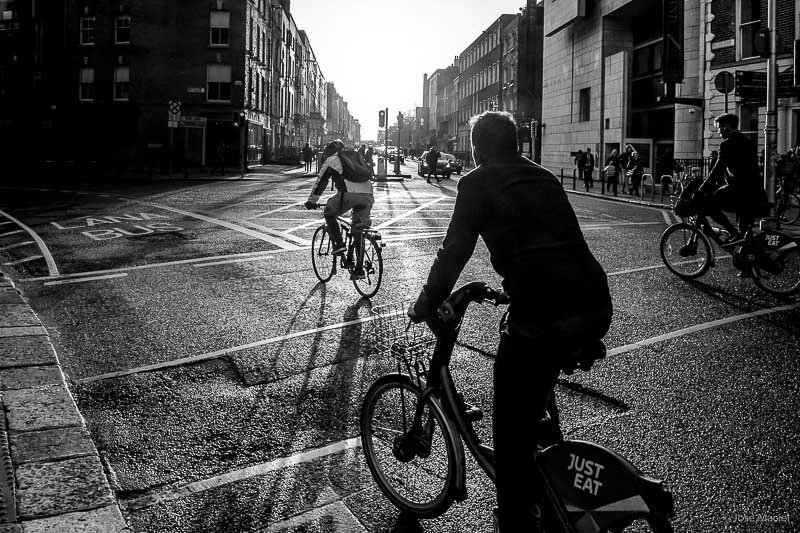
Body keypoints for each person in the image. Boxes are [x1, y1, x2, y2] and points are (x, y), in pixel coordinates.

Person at [408, 111, 612, 532]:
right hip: (592, 302)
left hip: (543, 315)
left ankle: (519, 520)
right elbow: (551, 244)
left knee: (511, 438)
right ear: (517, 144)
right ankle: (552, 489)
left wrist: (426, 302)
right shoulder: (543, 177)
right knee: (535, 395)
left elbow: (453, 251)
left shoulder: (476, 182)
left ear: (478, 148)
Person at [304, 139, 374, 280]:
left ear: (329, 151)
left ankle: (339, 244)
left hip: (348, 195)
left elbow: (321, 182)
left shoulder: (332, 160)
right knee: (358, 228)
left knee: (329, 213)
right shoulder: (354, 156)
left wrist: (312, 201)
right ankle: (359, 270)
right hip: (368, 194)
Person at [698, 113, 765, 249]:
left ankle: (732, 233)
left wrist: (701, 189)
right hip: (755, 190)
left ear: (726, 127)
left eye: (719, 128)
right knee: (745, 230)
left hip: (739, 189)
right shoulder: (746, 141)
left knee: (709, 204)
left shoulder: (727, 144)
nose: (718, 132)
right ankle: (748, 264)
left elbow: (717, 170)